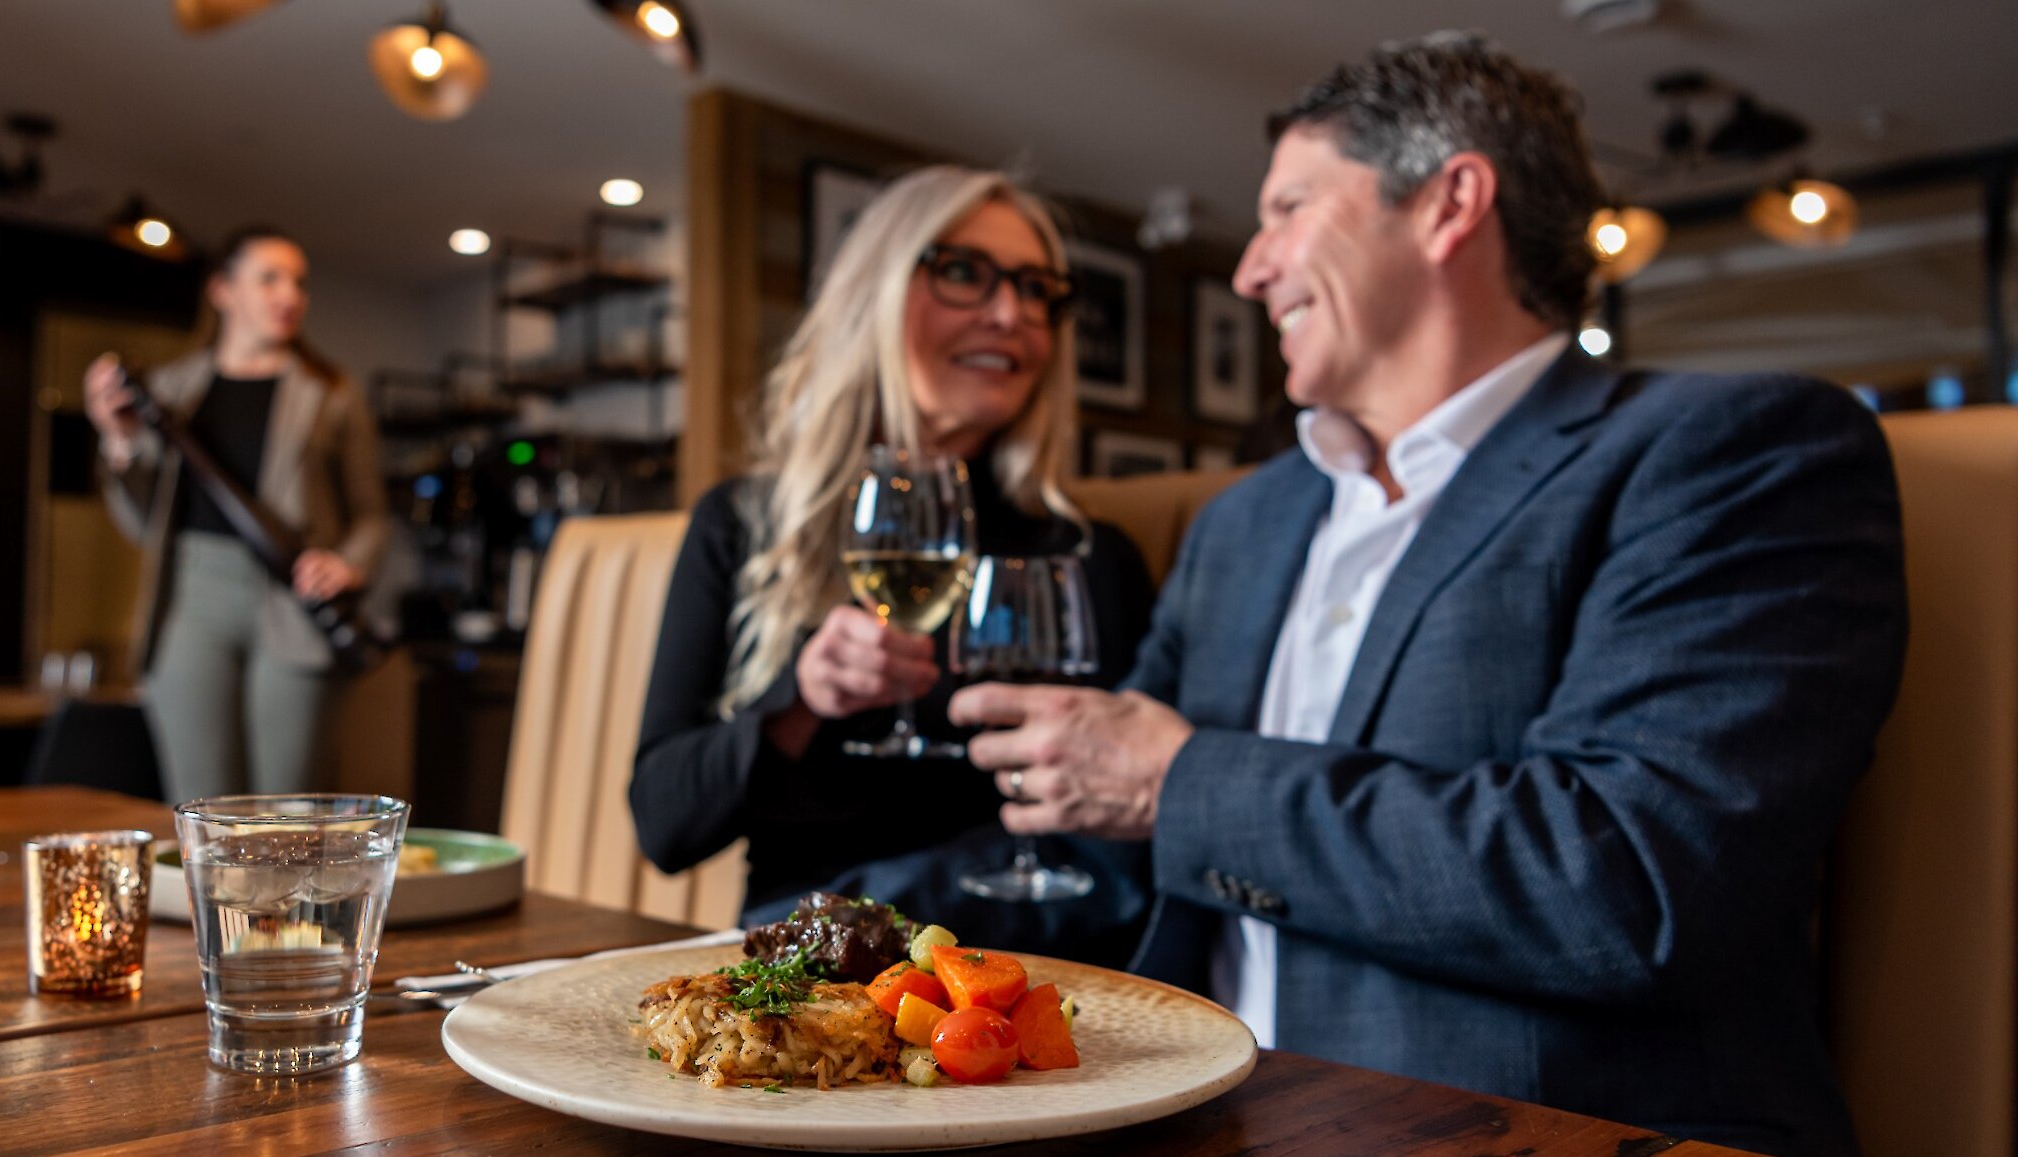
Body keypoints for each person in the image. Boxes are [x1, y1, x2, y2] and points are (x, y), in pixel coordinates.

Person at [948, 34, 1904, 1157]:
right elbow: (1103, 830)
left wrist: (1180, 778)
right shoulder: (1245, 521)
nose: (1251, 268)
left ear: (1451, 202)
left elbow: (1633, 880)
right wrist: (818, 933)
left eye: (1288, 208)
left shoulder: (1736, 453)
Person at [631, 167, 1158, 963]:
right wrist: (800, 699)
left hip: (1007, 975)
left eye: (1036, 288)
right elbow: (664, 825)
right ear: (872, 295)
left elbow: (1122, 842)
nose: (1011, 312)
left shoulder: (1084, 557)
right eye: (963, 273)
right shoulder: (745, 523)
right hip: (799, 981)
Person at [84, 225, 389, 803]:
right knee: (203, 808)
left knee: (291, 808)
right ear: (223, 290)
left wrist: (348, 565)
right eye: (269, 277)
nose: (290, 295)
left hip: (293, 603)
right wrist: (119, 441)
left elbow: (372, 514)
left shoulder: (332, 393)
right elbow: (142, 525)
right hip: (192, 602)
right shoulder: (171, 393)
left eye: (299, 282)